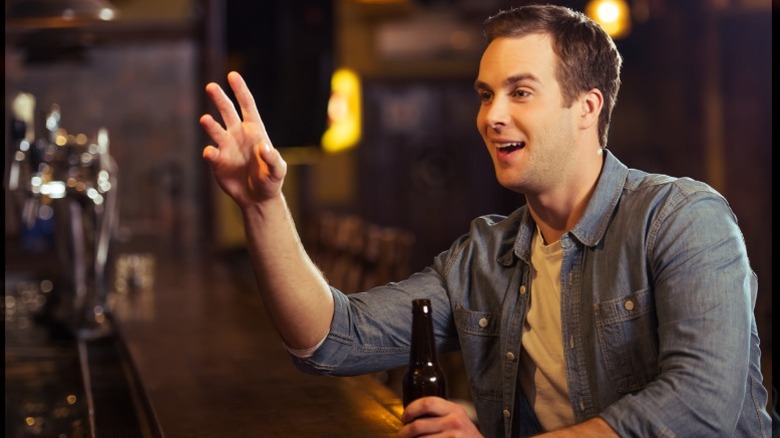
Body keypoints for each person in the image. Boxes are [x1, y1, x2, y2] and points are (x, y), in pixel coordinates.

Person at [199, 4, 770, 437]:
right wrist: (261, 205)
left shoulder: (683, 219)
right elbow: (331, 340)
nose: (492, 116)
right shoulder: (484, 257)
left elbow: (701, 407)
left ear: (587, 108)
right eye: (485, 94)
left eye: (520, 92)